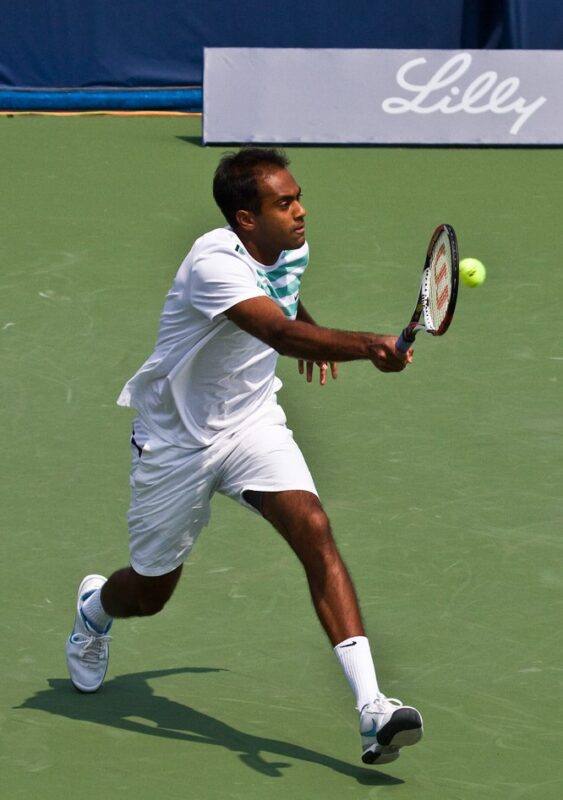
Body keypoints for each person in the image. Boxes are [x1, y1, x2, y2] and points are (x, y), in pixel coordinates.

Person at [66, 147, 423, 766]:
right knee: (150, 593)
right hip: (178, 441)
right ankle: (96, 609)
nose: (301, 211)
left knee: (314, 530)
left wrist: (312, 326)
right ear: (245, 219)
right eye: (284, 204)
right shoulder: (212, 263)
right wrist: (365, 344)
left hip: (254, 421)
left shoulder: (288, 247)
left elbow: (285, 302)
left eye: (298, 196)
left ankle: (373, 708)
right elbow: (277, 333)